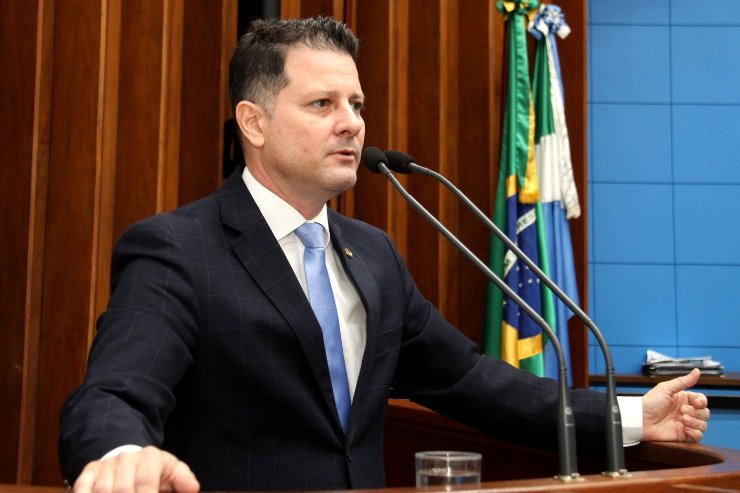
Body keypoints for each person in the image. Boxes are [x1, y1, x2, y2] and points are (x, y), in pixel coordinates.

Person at [59, 16, 710, 493]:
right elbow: (115, 391)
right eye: (323, 104)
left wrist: (628, 415)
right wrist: (121, 452)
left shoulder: (372, 255)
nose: (352, 122)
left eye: (356, 103)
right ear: (253, 123)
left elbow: (474, 382)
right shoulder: (177, 249)